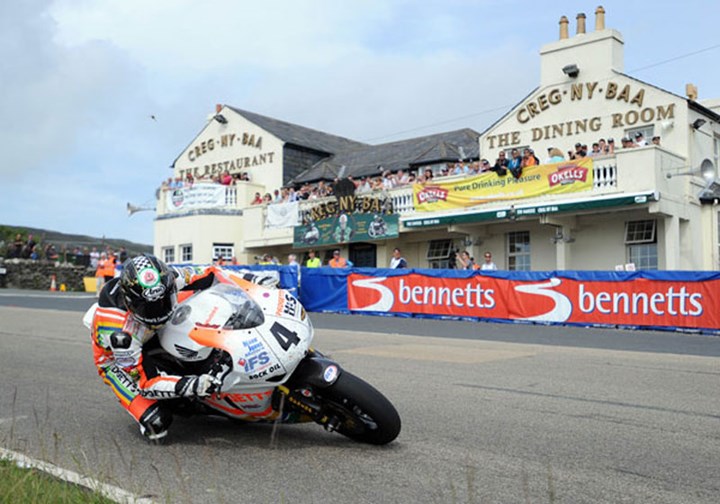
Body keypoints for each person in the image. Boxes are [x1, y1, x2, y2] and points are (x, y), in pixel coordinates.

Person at [89, 254, 277, 442]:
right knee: (157, 423)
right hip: (117, 360)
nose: (158, 311)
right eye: (149, 308)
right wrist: (192, 384)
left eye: (163, 302)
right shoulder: (119, 334)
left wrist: (252, 281)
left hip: (153, 329)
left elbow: (213, 272)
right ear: (131, 303)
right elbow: (145, 384)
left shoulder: (170, 277)